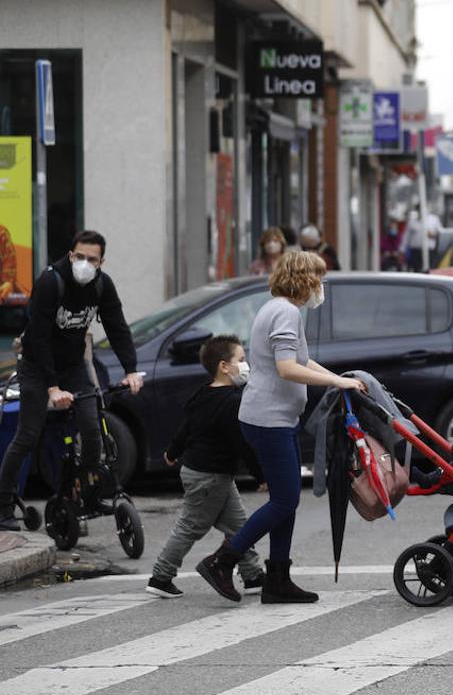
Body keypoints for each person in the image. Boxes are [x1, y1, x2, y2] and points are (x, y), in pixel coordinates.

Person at [195, 251, 366, 603]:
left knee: (283, 501)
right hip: (269, 419)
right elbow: (287, 367)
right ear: (304, 279)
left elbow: (300, 360)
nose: (321, 286)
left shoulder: (275, 308)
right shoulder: (286, 312)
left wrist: (336, 378)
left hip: (273, 417)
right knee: (285, 501)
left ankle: (278, 580)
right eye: (318, 278)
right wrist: (336, 384)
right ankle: (222, 560)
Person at [0, 231, 145, 530]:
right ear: (70, 255)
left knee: (92, 431)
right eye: (80, 257)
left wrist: (131, 369)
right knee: (27, 435)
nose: (84, 264)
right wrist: (52, 387)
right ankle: (3, 506)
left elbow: (117, 327)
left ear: (101, 262)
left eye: (92, 259)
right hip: (37, 367)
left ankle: (86, 496)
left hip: (73, 366)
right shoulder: (50, 282)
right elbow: (37, 339)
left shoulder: (102, 285)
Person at [147, 335, 266, 599]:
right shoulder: (233, 402)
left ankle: (253, 575)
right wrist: (261, 474)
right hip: (208, 477)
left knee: (239, 526)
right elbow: (242, 444)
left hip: (210, 474)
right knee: (191, 526)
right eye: (241, 360)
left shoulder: (204, 393)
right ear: (224, 366)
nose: (246, 366)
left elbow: (187, 427)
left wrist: (172, 452)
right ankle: (161, 576)